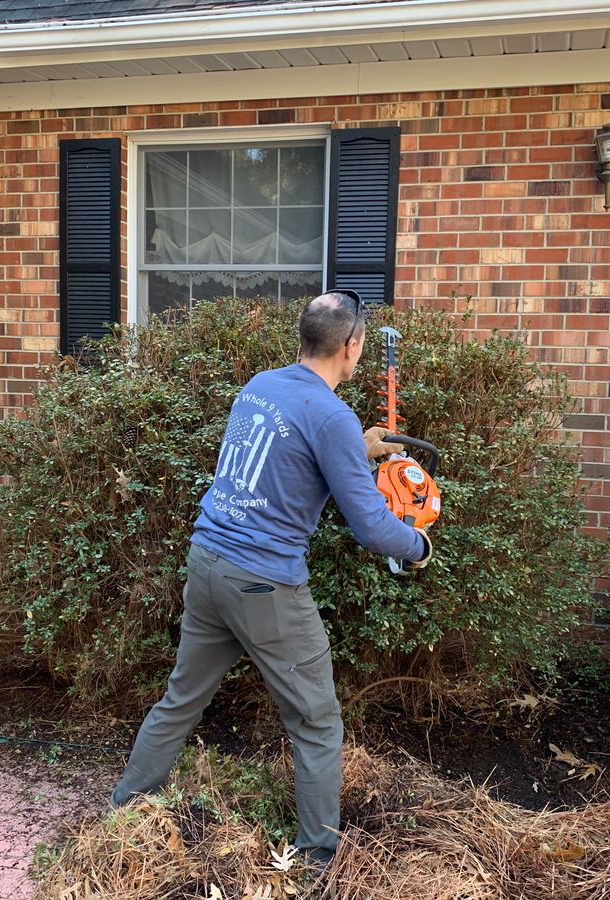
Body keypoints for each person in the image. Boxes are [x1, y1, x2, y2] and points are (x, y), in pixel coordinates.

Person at [109, 290, 433, 867]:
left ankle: (124, 816)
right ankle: (316, 860)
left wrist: (358, 448)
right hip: (264, 584)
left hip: (209, 562)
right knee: (316, 722)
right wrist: (418, 547)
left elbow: (285, 459)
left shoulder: (261, 386)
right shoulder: (330, 415)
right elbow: (371, 528)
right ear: (352, 346)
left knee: (181, 699)